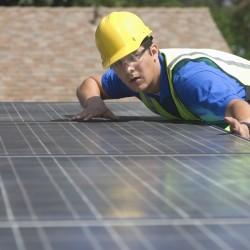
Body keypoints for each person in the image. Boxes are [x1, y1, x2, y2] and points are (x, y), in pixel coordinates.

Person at [71, 11, 250, 139]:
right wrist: (94, 103)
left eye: (135, 56)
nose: (128, 69)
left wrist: (245, 126)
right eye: (117, 63)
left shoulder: (191, 80)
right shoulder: (130, 77)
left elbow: (237, 106)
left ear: (154, 51)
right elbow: (89, 84)